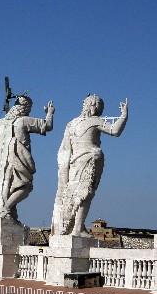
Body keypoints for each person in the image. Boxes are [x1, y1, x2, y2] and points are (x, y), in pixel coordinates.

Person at [51, 94, 129, 236]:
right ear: (93, 106)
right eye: (99, 106)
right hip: (90, 159)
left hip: (75, 161)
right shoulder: (94, 121)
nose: (99, 110)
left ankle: (74, 227)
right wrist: (124, 115)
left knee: (76, 193)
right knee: (86, 193)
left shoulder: (71, 124)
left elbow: (65, 149)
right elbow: (115, 130)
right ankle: (77, 228)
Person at [0, 95, 54, 223]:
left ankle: (8, 212)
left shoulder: (0, 124)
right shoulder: (23, 121)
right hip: (18, 160)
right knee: (25, 186)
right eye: (29, 108)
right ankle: (6, 209)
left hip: (2, 164)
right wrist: (50, 113)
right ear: (26, 107)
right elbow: (47, 126)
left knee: (9, 189)